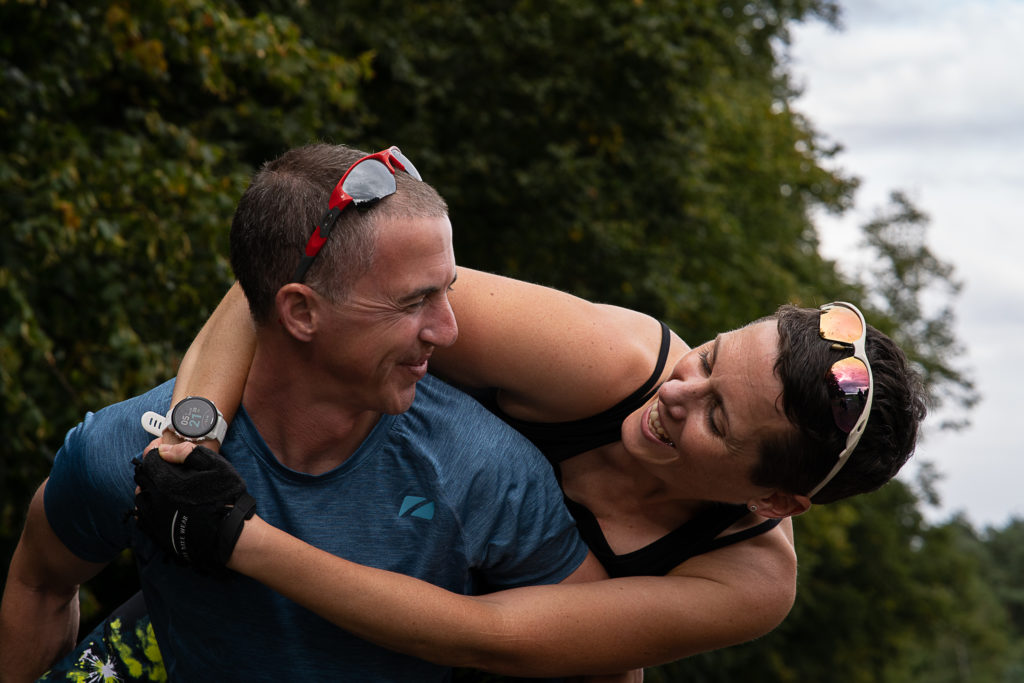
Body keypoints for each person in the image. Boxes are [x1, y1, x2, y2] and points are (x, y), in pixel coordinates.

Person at [129, 263, 927, 676]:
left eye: (717, 419)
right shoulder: (606, 358)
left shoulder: (748, 581)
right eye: (709, 355)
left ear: (778, 499)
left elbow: (493, 639)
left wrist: (241, 537)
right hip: (284, 526)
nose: (677, 391)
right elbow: (286, 278)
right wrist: (193, 447)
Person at [0, 143, 608, 682]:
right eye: (415, 301)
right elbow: (39, 581)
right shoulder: (134, 451)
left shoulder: (480, 466)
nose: (449, 331)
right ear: (301, 313)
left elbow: (600, 653)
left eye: (447, 290)